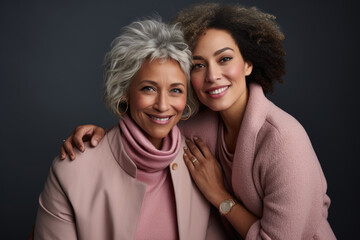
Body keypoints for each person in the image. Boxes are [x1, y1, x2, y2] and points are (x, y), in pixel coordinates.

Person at [60, 3, 336, 239]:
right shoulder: (202, 126)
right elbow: (153, 128)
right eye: (198, 65)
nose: (212, 75)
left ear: (249, 64)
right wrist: (101, 138)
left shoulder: (284, 140)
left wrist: (219, 196)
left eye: (224, 59)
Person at [34, 18, 227, 240]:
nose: (163, 105)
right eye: (148, 88)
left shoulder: (200, 164)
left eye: (175, 90)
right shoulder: (72, 171)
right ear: (125, 91)